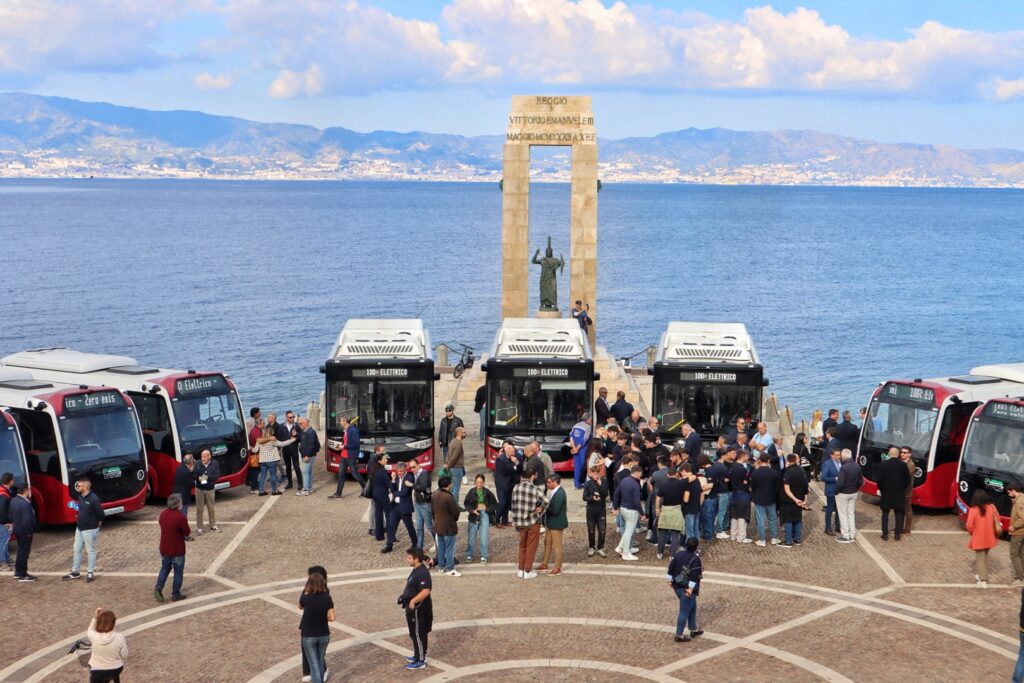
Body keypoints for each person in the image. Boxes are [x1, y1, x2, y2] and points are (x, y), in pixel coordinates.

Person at [63, 477, 105, 582]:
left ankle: (90, 573)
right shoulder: (80, 496)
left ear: (85, 487)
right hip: (80, 528)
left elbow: (101, 514)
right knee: (77, 549)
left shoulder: (94, 499)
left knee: (90, 551)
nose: (77, 487)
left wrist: (97, 523)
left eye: (79, 486)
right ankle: (75, 572)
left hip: (90, 529)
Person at [511, 469, 549, 579]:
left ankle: (521, 569)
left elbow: (513, 505)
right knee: (531, 547)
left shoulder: (516, 487)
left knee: (522, 545)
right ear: (532, 476)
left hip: (520, 522)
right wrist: (540, 509)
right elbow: (546, 501)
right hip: (532, 521)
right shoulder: (534, 488)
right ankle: (527, 570)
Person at [400, 547, 433, 670]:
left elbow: (426, 590)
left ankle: (420, 660)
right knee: (414, 633)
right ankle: (417, 655)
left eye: (409, 558)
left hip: (418, 609)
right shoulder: (416, 570)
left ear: (416, 559)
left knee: (418, 634)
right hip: (413, 609)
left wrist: (413, 601)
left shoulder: (422, 572)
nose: (407, 560)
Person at [667, 536, 704, 643]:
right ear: (696, 547)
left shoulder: (679, 554)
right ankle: (679, 635)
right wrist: (690, 590)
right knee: (684, 611)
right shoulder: (696, 559)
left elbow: (671, 568)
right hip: (687, 589)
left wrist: (669, 581)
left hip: (677, 586)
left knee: (692, 606)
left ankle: (693, 629)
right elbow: (694, 576)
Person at [299, 572, 334, 683]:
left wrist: (305, 592)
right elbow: (332, 617)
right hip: (324, 634)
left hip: (309, 635)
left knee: (314, 664)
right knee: (319, 662)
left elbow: (300, 606)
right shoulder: (327, 598)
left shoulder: (305, 597)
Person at [155, 493, 190, 602]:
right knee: (178, 572)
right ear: (178, 504)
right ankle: (175, 593)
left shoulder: (163, 514)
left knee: (165, 568)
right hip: (177, 549)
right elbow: (187, 532)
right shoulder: (180, 516)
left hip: (165, 547)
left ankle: (158, 588)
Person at [966, 490, 1000, 588]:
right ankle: (982, 574)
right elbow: (997, 519)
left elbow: (969, 526)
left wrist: (973, 532)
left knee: (980, 559)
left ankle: (983, 579)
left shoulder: (973, 510)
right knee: (984, 557)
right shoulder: (991, 508)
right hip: (989, 537)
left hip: (979, 538)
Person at [877, 445, 911, 541]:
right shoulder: (903, 465)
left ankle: (885, 534)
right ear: (898, 455)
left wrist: (882, 489)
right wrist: (902, 488)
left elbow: (879, 480)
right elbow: (907, 480)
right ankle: (897, 535)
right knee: (899, 513)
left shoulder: (883, 464)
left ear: (889, 454)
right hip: (899, 493)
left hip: (886, 493)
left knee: (885, 514)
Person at [383, 462, 417, 553]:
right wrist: (393, 480)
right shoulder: (397, 477)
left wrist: (394, 493)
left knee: (410, 527)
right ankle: (389, 545)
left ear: (405, 470)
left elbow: (404, 493)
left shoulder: (409, 477)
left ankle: (415, 544)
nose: (399, 473)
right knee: (391, 526)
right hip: (395, 506)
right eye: (398, 471)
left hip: (405, 507)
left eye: (401, 471)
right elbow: (392, 489)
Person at [87, 608, 128, 683]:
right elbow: (125, 655)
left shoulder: (93, 636)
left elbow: (90, 629)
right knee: (114, 674)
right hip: (115, 669)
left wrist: (96, 617)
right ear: (113, 623)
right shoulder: (119, 637)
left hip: (97, 670)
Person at [329, 415, 366, 498]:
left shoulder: (353, 430)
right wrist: (341, 446)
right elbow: (346, 442)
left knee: (355, 474)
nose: (340, 422)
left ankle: (367, 489)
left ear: (345, 421)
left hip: (350, 456)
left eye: (341, 421)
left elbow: (356, 445)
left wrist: (344, 447)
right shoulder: (346, 430)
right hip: (343, 456)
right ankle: (338, 494)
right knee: (341, 475)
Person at [613, 465, 644, 561]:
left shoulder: (624, 480)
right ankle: (626, 553)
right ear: (638, 472)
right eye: (641, 473)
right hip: (631, 511)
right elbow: (637, 502)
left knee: (627, 530)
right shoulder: (635, 485)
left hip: (623, 508)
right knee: (629, 532)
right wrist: (642, 514)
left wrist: (615, 507)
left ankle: (620, 548)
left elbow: (616, 494)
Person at [432, 475, 461, 576]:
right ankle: (450, 568)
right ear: (449, 485)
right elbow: (455, 512)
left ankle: (441, 566)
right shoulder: (449, 497)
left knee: (441, 548)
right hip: (448, 527)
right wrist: (455, 519)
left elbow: (432, 511)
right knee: (449, 548)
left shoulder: (434, 495)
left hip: (438, 526)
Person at [464, 473, 496, 564]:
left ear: (483, 482)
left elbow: (495, 504)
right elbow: (466, 503)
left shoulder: (488, 492)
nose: (479, 484)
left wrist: (487, 508)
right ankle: (469, 554)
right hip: (474, 514)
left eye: (481, 482)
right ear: (475, 482)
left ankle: (484, 555)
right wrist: (471, 510)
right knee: (471, 536)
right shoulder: (471, 492)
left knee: (484, 536)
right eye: (477, 482)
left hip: (484, 514)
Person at [539, 474, 568, 575]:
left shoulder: (560, 493)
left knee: (557, 546)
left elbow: (555, 510)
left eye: (549, 482)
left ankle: (558, 567)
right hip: (551, 523)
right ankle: (545, 563)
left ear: (555, 482)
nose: (547, 485)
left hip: (556, 524)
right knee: (547, 543)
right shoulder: (554, 492)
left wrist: (543, 507)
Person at [254, 423, 293, 496]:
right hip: (271, 460)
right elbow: (282, 444)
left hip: (262, 460)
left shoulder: (259, 440)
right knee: (273, 475)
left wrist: (249, 448)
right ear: (271, 431)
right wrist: (291, 440)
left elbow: (255, 450)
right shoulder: (272, 440)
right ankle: (274, 490)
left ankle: (261, 491)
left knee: (263, 475)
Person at [750, 453, 781, 547]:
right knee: (773, 519)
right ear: (768, 461)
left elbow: (753, 486)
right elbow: (777, 486)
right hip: (771, 498)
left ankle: (762, 539)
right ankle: (774, 538)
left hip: (759, 498)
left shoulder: (755, 472)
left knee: (760, 520)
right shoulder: (774, 472)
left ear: (759, 461)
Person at [779, 454, 809, 547]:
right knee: (797, 519)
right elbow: (805, 486)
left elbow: (786, 489)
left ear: (788, 461)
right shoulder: (801, 471)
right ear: (796, 460)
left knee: (788, 520)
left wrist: (795, 499)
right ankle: (798, 538)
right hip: (800, 499)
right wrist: (804, 500)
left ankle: (788, 541)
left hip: (788, 501)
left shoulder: (787, 472)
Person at [656, 466, 685, 559]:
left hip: (665, 510)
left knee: (662, 532)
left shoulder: (663, 485)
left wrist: (657, 509)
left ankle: (660, 553)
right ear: (676, 474)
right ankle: (672, 555)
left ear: (667, 474)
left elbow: (658, 498)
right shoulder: (681, 484)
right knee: (675, 533)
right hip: (676, 510)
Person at [835, 449, 862, 544]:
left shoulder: (844, 467)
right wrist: (856, 489)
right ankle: (852, 534)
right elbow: (861, 481)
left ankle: (845, 536)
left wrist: (836, 491)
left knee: (843, 514)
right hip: (853, 492)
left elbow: (840, 483)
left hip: (843, 493)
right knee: (851, 513)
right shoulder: (857, 466)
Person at [10, 485, 36, 581]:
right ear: (25, 490)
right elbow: (27, 521)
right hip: (24, 531)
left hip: (17, 528)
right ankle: (22, 574)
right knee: (24, 552)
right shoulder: (25, 504)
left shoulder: (14, 500)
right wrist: (29, 532)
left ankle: (18, 572)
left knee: (21, 551)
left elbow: (11, 515)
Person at [410, 460, 436, 553]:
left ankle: (437, 542)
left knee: (429, 526)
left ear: (418, 465)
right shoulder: (416, 474)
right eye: (411, 467)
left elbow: (423, 487)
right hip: (418, 503)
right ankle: (419, 547)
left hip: (425, 504)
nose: (412, 469)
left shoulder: (424, 474)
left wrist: (412, 485)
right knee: (419, 527)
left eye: (414, 467)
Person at [583, 465, 609, 558]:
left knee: (602, 530)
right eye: (594, 473)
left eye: (597, 473)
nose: (596, 475)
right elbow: (584, 497)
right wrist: (592, 498)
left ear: (599, 473)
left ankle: (600, 547)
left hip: (601, 509)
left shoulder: (604, 482)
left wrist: (600, 485)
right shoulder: (588, 483)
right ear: (591, 473)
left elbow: (605, 494)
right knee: (591, 530)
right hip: (591, 510)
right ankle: (591, 547)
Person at [194, 449, 221, 534]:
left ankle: (212, 524)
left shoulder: (215, 463)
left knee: (211, 508)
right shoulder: (197, 464)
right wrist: (202, 477)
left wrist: (205, 477)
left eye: (205, 456)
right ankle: (199, 527)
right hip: (199, 489)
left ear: (209, 456)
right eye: (202, 456)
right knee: (199, 509)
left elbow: (216, 476)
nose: (203, 458)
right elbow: (194, 475)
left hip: (210, 489)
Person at [729, 451, 752, 544]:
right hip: (743, 494)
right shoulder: (742, 469)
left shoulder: (733, 466)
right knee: (743, 515)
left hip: (734, 493)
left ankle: (733, 535)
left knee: (734, 515)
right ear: (742, 456)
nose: (748, 458)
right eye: (747, 456)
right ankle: (741, 537)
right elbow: (747, 482)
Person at [710, 449, 733, 540]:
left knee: (716, 512)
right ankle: (719, 531)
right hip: (723, 491)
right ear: (723, 455)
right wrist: (726, 480)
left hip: (716, 491)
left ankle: (715, 529)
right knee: (722, 512)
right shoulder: (723, 467)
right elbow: (729, 477)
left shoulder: (714, 465)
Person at [493, 441, 518, 528]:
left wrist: (515, 463)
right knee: (502, 502)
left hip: (509, 484)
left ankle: (505, 521)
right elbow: (505, 471)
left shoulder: (511, 458)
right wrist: (514, 464)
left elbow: (518, 467)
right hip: (502, 485)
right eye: (513, 452)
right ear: (507, 451)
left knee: (507, 503)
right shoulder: (501, 459)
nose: (514, 453)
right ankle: (496, 520)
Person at [369, 449, 391, 541]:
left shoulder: (374, 470)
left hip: (375, 494)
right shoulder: (383, 471)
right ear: (379, 461)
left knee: (378, 515)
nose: (386, 460)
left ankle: (379, 535)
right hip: (382, 494)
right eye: (384, 459)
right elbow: (388, 484)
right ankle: (391, 535)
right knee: (388, 514)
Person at [820, 446, 842, 536]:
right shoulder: (827, 464)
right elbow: (823, 477)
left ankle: (838, 526)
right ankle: (828, 528)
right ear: (832, 455)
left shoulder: (841, 463)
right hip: (831, 490)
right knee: (829, 509)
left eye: (839, 455)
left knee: (838, 509)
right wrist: (835, 479)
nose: (838, 457)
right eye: (836, 455)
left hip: (839, 491)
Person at [569, 412, 593, 490]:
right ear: (588, 419)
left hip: (575, 448)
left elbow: (571, 436)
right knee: (585, 466)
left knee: (577, 467)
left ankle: (577, 485)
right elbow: (585, 439)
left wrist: (574, 448)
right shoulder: (588, 427)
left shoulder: (576, 425)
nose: (591, 421)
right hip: (583, 449)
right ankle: (584, 483)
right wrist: (578, 448)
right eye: (591, 419)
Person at [297, 416, 320, 496]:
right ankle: (309, 488)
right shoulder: (307, 431)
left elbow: (311, 445)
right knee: (309, 472)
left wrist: (307, 455)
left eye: (300, 423)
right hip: (308, 455)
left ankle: (306, 489)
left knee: (305, 472)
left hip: (308, 456)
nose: (299, 425)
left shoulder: (310, 432)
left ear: (305, 423)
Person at [680, 463, 703, 543]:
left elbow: (686, 499)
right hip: (697, 508)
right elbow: (701, 494)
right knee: (696, 528)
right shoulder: (697, 480)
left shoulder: (688, 482)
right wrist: (699, 504)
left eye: (681, 472)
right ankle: (697, 547)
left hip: (689, 509)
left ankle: (691, 548)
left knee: (689, 530)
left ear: (684, 470)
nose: (681, 474)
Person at [281, 411, 303, 491]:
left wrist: (296, 435)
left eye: (293, 417)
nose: (292, 418)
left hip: (294, 449)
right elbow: (279, 438)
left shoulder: (297, 426)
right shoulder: (281, 426)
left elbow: (301, 438)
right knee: (288, 467)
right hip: (285, 450)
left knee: (296, 466)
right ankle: (290, 483)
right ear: (286, 417)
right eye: (290, 417)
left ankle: (300, 483)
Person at [173, 454, 196, 527]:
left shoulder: (179, 468)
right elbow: (191, 484)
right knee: (183, 515)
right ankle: (183, 533)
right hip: (184, 496)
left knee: (177, 514)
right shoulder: (187, 472)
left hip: (176, 494)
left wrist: (191, 472)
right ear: (191, 462)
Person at [1008, 483, 1024, 587]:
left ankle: (1020, 578)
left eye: (1009, 492)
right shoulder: (1021, 498)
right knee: (1022, 553)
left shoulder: (1019, 502)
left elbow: (1023, 518)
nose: (1008, 494)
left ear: (1013, 490)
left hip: (1018, 532)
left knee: (1014, 554)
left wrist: (1014, 526)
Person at [447, 426, 467, 503]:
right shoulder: (458, 443)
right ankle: (455, 506)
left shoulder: (453, 441)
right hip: (456, 469)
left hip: (453, 468)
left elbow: (448, 454)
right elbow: (454, 457)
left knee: (452, 487)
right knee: (456, 489)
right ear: (459, 433)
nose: (465, 434)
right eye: (464, 432)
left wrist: (448, 464)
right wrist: (448, 466)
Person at [900, 446, 916, 534]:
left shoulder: (911, 464)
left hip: (907, 491)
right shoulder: (901, 462)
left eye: (905, 452)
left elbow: (904, 476)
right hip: (901, 490)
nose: (902, 454)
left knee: (907, 509)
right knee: (901, 509)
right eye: (901, 452)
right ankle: (899, 526)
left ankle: (907, 528)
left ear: (909, 454)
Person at [247, 408, 262, 492]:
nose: (260, 413)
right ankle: (254, 485)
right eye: (259, 412)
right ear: (255, 414)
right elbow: (252, 437)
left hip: (254, 448)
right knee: (255, 468)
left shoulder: (254, 424)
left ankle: (253, 483)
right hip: (254, 450)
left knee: (255, 468)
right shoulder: (250, 423)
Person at [0, 472, 12, 571]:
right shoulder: (4, 494)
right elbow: (2, 509)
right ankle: (3, 562)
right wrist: (6, 522)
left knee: (4, 541)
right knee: (3, 542)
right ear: (10, 481)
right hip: (3, 522)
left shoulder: (2, 491)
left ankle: (7, 559)